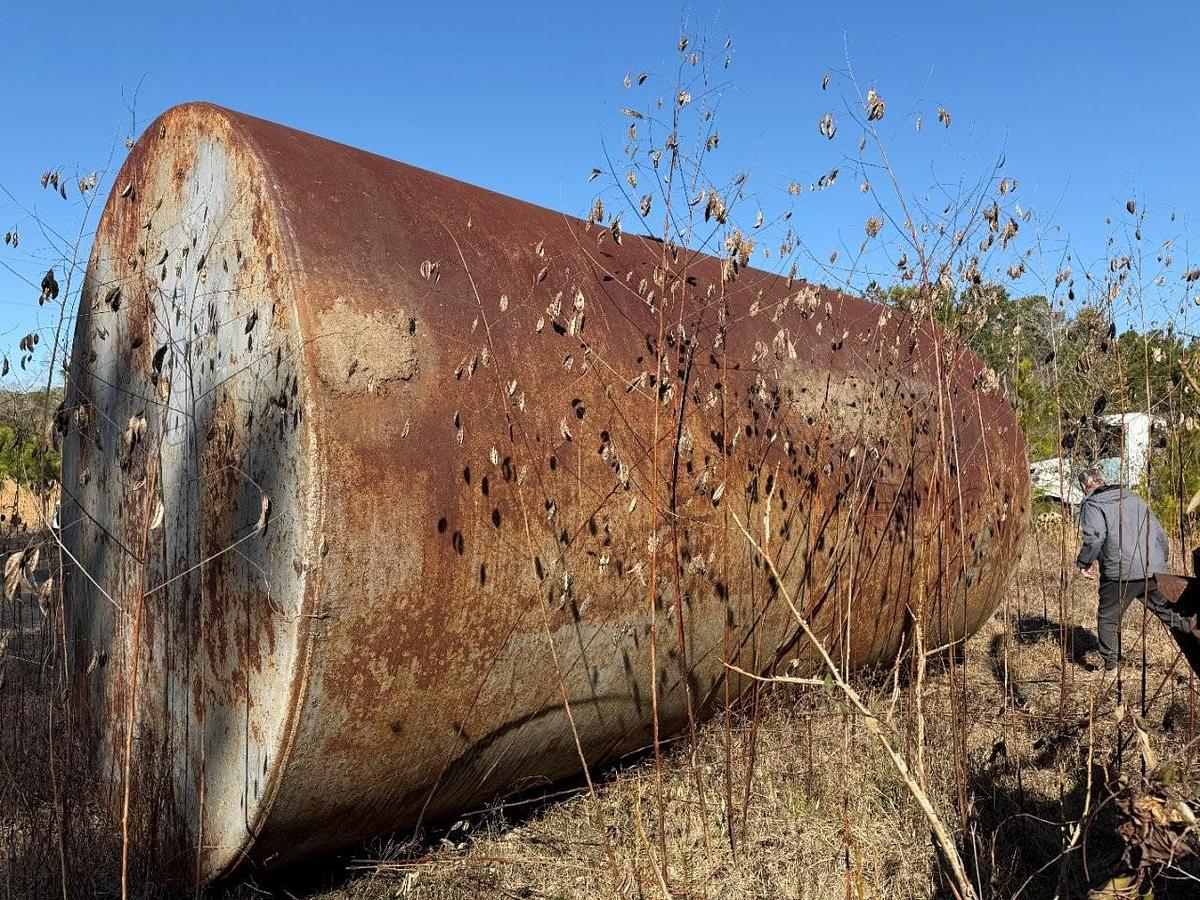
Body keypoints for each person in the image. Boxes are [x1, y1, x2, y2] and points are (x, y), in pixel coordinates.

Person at [1075, 467, 1193, 674]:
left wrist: (1084, 562)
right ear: (1104, 480)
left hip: (1119, 574)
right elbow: (1160, 535)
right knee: (1165, 610)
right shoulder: (1135, 499)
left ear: (1086, 487)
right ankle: (1191, 627)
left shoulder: (1092, 503)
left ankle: (1110, 668)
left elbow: (1095, 537)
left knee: (1108, 617)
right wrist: (1159, 564)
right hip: (1152, 568)